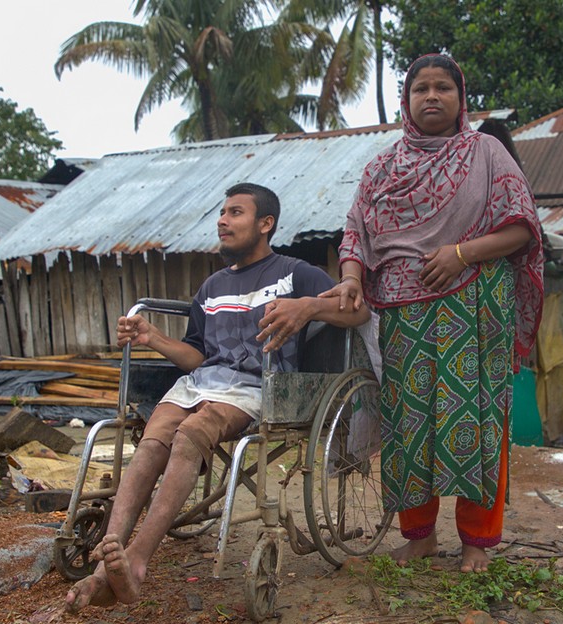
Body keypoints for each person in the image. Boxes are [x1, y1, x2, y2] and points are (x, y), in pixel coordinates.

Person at [66, 182, 370, 612]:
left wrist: (307, 307)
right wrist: (153, 337)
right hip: (202, 382)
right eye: (222, 213)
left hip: (257, 386)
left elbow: (358, 311)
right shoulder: (211, 287)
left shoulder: (295, 273)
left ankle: (136, 561)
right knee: (154, 439)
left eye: (235, 213)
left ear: (266, 224)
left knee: (192, 433)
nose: (222, 221)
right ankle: (105, 565)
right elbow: (197, 357)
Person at [322, 54, 545, 573]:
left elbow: (522, 230)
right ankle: (419, 536)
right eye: (420, 88)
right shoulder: (382, 167)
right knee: (408, 424)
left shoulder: (487, 152)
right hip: (402, 312)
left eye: (443, 87)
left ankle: (476, 543)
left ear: (460, 99)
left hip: (474, 304)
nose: (431, 97)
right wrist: (352, 278)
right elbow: (355, 232)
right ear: (406, 101)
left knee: (478, 418)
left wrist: (460, 253)